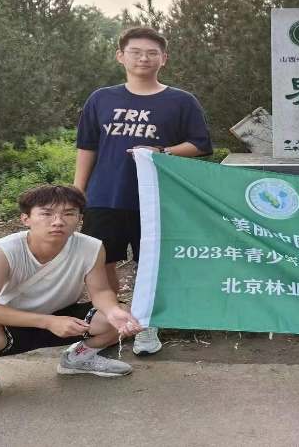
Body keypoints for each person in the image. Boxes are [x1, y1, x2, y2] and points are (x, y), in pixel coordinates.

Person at [0, 184, 143, 423]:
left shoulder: (91, 247)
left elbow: (101, 291)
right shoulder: (3, 250)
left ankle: (78, 359)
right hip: (4, 315)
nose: (58, 221)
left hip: (53, 311)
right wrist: (48, 322)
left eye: (69, 213)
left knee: (122, 316)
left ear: (79, 218)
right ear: (26, 219)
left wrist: (112, 310)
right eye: (46, 213)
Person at [74, 26, 212, 356]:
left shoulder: (181, 101)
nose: (143, 58)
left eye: (152, 53)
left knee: (151, 263)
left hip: (156, 198)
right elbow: (87, 146)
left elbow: (201, 144)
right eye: (135, 52)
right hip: (105, 195)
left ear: (164, 59)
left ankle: (148, 323)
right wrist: (77, 191)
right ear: (120, 56)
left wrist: (161, 151)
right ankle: (113, 320)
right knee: (102, 262)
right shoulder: (101, 98)